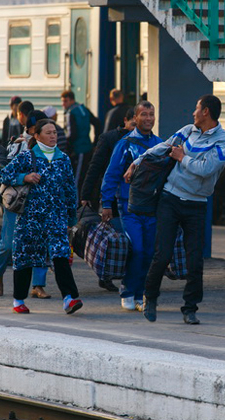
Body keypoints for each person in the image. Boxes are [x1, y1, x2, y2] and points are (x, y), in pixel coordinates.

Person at [127, 94, 225, 325]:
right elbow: (163, 147)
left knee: (195, 260)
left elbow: (206, 169)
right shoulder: (187, 131)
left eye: (196, 108)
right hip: (170, 199)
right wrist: (137, 162)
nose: (193, 113)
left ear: (206, 112)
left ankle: (190, 307)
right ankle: (151, 297)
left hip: (196, 204)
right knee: (162, 254)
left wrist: (182, 157)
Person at [0, 119, 82, 315]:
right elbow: (3, 175)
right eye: (48, 133)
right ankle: (19, 299)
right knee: (25, 258)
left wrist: (71, 218)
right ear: (37, 136)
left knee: (60, 256)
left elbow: (70, 190)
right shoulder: (27, 158)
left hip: (56, 218)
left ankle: (69, 298)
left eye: (55, 132)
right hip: (30, 219)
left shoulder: (63, 159)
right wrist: (24, 178)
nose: (53, 136)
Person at [101, 101, 163, 311]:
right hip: (129, 207)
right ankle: (127, 291)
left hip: (152, 207)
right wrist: (106, 203)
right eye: (143, 114)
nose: (148, 118)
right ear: (135, 119)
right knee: (136, 249)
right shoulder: (124, 144)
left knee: (148, 252)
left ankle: (140, 294)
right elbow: (111, 175)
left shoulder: (160, 144)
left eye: (151, 114)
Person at [0, 108, 51, 299]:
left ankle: (38, 285)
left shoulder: (50, 149)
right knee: (8, 244)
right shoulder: (18, 146)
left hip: (40, 203)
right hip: (17, 202)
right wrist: (25, 177)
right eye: (41, 127)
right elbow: (4, 175)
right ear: (32, 128)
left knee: (40, 242)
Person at [79, 107, 134, 292]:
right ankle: (106, 274)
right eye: (133, 124)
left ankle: (127, 276)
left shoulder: (147, 139)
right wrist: (86, 195)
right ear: (125, 121)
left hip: (135, 198)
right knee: (114, 237)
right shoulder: (110, 139)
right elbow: (95, 167)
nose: (135, 128)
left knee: (131, 239)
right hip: (113, 196)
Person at [60, 90, 102, 198]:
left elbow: (71, 134)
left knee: (77, 179)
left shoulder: (70, 113)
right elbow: (97, 123)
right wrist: (95, 142)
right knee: (85, 177)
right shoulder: (83, 108)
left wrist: (67, 147)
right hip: (88, 148)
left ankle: (76, 205)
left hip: (78, 150)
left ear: (71, 100)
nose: (63, 104)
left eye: (65, 101)